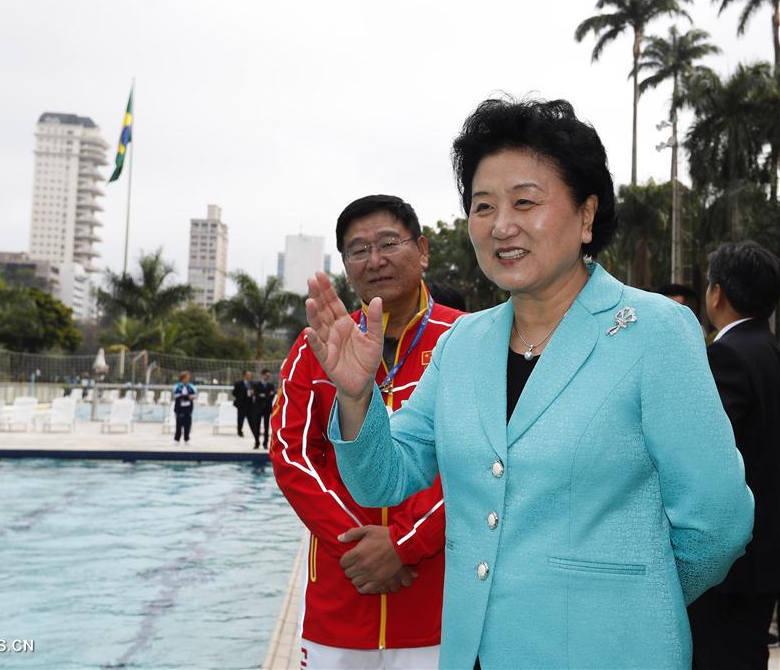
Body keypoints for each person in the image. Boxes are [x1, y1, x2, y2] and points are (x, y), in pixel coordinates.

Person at [304, 98, 754, 669]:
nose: (501, 225)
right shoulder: (462, 344)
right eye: (483, 206)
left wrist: (633, 596)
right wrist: (356, 394)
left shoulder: (654, 332)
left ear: (586, 216)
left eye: (525, 202)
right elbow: (384, 478)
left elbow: (717, 522)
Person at [270, 195, 464, 669]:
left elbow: (481, 458)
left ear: (422, 250)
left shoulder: (467, 339)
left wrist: (405, 544)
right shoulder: (316, 345)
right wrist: (354, 544)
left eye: (388, 243)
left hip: (440, 604)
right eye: (357, 250)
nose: (374, 260)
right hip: (341, 600)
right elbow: (290, 455)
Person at [688, 240, 780, 670]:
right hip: (766, 557)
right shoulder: (770, 351)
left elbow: (707, 458)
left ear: (717, 293)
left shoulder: (726, 356)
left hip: (730, 564)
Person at [253, 369, 275, 449]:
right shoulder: (256, 384)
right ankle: (257, 443)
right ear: (263, 375)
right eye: (266, 376)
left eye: (269, 376)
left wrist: (263, 395)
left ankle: (265, 443)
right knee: (257, 426)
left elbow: (272, 395)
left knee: (266, 427)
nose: (268, 377)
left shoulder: (271, 385)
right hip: (258, 409)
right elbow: (256, 394)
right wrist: (267, 395)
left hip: (267, 409)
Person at [172, 371, 196, 443]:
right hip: (180, 408)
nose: (187, 379)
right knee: (179, 423)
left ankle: (186, 438)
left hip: (188, 408)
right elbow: (176, 395)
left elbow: (193, 395)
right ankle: (177, 438)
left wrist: (187, 397)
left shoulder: (190, 386)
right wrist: (185, 397)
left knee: (187, 424)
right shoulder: (177, 386)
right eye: (186, 377)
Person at [232, 370, 256, 439]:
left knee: (251, 419)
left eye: (250, 375)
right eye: (248, 375)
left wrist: (252, 393)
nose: (249, 376)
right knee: (240, 419)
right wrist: (240, 396)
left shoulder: (252, 383)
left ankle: (255, 432)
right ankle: (239, 431)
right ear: (244, 375)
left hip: (250, 405)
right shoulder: (238, 383)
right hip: (241, 405)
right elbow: (234, 392)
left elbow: (255, 392)